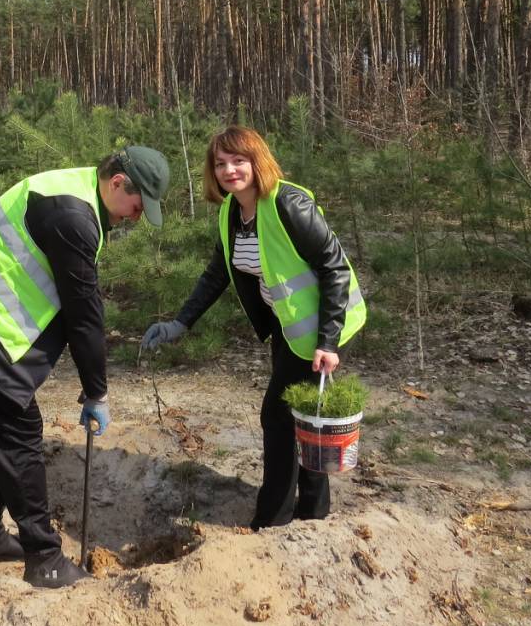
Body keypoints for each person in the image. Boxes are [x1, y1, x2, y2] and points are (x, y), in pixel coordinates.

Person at [0, 146, 170, 587]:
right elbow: (84, 315)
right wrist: (97, 392)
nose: (136, 217)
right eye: (137, 206)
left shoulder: (75, 192)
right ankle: (45, 557)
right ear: (117, 184)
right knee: (17, 427)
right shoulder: (73, 216)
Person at [142, 126, 365, 530]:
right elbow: (217, 274)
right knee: (304, 414)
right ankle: (313, 512)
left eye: (238, 160)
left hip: (317, 328)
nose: (229, 170)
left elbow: (334, 268)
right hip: (289, 326)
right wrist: (180, 323)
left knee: (277, 417)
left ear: (256, 161)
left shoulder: (288, 204)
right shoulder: (232, 211)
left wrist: (327, 342)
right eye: (221, 163)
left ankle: (273, 518)